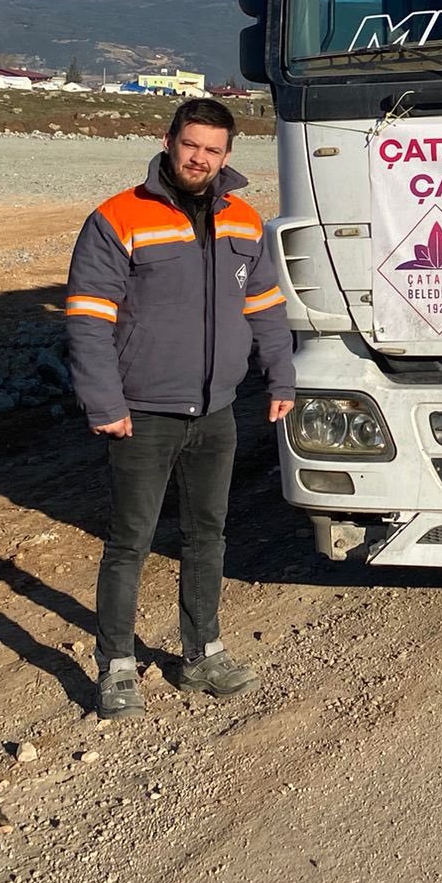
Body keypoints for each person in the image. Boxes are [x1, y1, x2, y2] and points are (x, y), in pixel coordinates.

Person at [66, 97, 295, 718]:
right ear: (168, 141)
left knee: (207, 536)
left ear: (227, 155)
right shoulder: (119, 217)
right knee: (129, 542)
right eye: (191, 144)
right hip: (141, 413)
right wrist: (105, 402)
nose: (200, 158)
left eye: (213, 149)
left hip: (216, 410)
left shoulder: (245, 220)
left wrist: (281, 378)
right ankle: (115, 665)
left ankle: (202, 652)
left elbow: (267, 306)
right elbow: (88, 319)